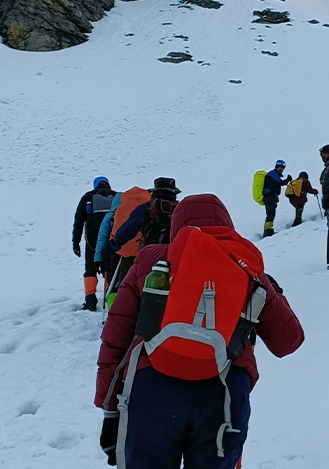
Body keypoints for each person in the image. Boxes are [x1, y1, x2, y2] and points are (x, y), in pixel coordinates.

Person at [95, 193, 305, 469]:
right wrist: (272, 291)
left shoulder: (150, 260)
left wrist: (110, 408)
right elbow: (288, 341)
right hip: (223, 394)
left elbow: (116, 339)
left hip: (152, 390)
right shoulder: (247, 266)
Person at [74, 176, 118, 311]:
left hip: (92, 239)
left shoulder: (88, 197)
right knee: (110, 268)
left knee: (90, 268)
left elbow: (78, 222)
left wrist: (76, 243)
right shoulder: (116, 197)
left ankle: (90, 299)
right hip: (112, 239)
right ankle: (111, 299)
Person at [110, 177, 181, 255]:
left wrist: (113, 245)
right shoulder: (180, 209)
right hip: (174, 253)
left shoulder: (146, 207)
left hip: (150, 253)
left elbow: (129, 228)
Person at [261, 160, 292, 237]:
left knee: (270, 213)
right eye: (280, 167)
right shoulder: (272, 174)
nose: (281, 169)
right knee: (271, 213)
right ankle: (268, 231)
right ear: (276, 167)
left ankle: (267, 229)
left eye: (282, 168)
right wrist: (287, 180)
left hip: (270, 197)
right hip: (270, 196)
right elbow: (279, 182)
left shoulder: (273, 174)